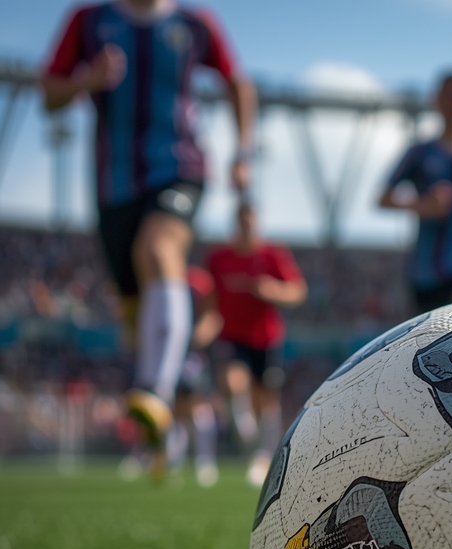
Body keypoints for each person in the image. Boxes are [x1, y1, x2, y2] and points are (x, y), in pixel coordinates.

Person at [41, 0, 256, 448]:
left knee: (158, 249)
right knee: (134, 315)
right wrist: (86, 80)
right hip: (114, 186)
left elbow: (238, 81)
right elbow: (50, 95)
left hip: (181, 168)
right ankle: (159, 430)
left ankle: (155, 392)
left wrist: (243, 152)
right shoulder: (89, 21)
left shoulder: (195, 24)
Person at [208, 202, 307, 487]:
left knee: (266, 400)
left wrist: (273, 290)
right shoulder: (219, 258)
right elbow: (211, 297)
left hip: (266, 338)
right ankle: (243, 429)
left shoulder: (272, 254)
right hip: (232, 336)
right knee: (232, 381)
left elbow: (297, 291)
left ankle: (263, 458)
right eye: (242, 221)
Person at [380, 72, 452, 313]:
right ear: (436, 100)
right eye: (447, 95)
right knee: (430, 333)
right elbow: (383, 198)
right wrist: (422, 205)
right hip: (425, 272)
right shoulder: (420, 152)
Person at [166, 265, 222, 487]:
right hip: (173, 353)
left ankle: (205, 462)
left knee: (198, 405)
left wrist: (195, 339)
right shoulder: (167, 278)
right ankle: (173, 460)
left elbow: (212, 318)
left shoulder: (199, 280)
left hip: (193, 355)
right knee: (177, 408)